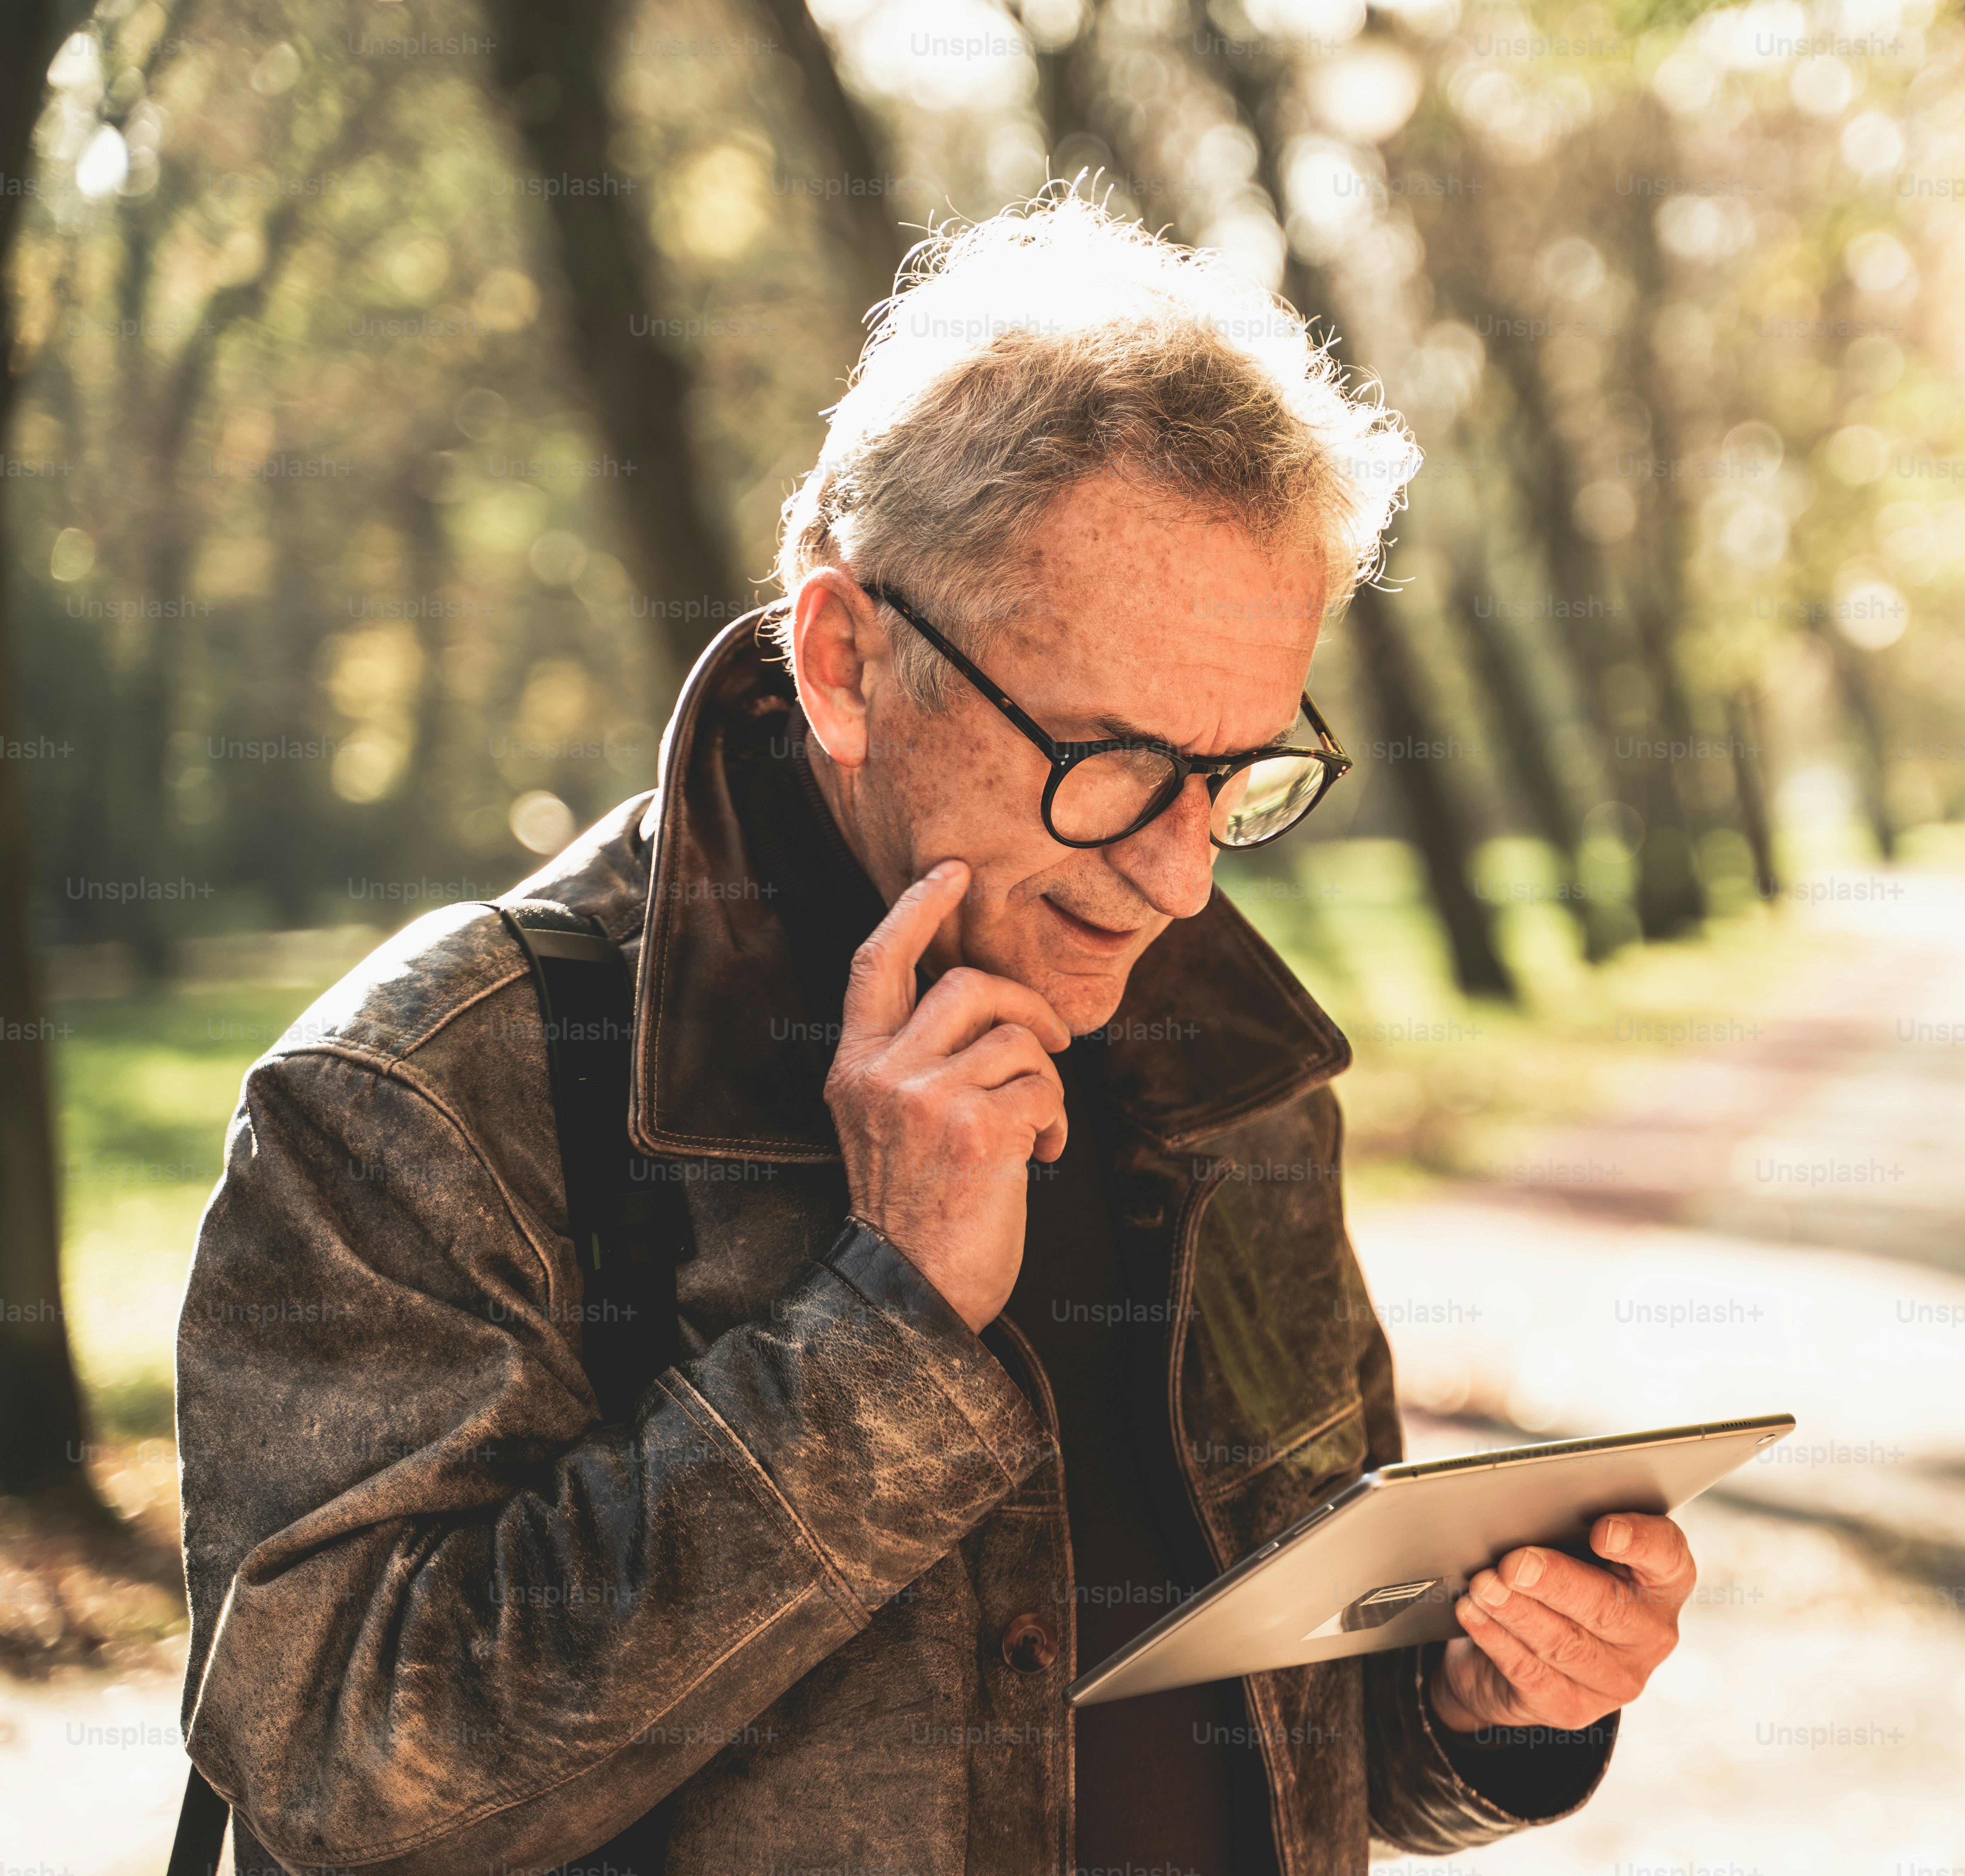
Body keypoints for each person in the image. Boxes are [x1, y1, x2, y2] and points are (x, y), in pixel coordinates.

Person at [175, 193, 1697, 1876]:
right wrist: (886, 1323)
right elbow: (333, 1786)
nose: (1181, 876)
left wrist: (1494, 1703)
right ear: (843, 660)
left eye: (1238, 774)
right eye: (1112, 761)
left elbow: (1302, 1744)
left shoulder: (1231, 1073)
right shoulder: (430, 1096)